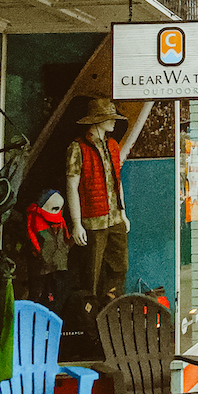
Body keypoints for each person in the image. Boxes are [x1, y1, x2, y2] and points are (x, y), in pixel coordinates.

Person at [65, 97, 129, 301]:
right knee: (91, 273)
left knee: (119, 267)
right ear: (95, 120)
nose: (113, 122)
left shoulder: (113, 146)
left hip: (115, 218)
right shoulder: (77, 147)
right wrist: (77, 224)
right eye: (108, 118)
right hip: (93, 221)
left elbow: (117, 182)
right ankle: (90, 321)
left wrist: (124, 213)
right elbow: (72, 186)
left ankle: (113, 310)